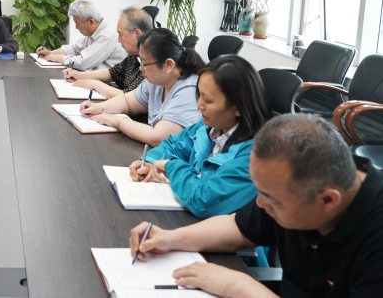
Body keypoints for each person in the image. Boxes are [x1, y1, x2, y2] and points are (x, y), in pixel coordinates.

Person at [129, 114, 383, 298]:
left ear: (327, 200)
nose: (260, 203)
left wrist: (240, 287)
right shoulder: (296, 187)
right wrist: (170, 238)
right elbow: (238, 227)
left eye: (271, 198)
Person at [128, 55, 272, 218]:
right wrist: (150, 161)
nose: (199, 105)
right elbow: (174, 145)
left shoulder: (254, 157)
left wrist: (172, 166)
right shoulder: (210, 126)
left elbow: (205, 201)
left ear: (238, 107)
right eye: (200, 95)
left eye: (208, 100)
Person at [80, 28, 203, 147]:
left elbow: (158, 138)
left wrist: (117, 121)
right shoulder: (158, 81)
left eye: (144, 63)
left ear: (168, 65)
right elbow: (128, 102)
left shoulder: (189, 91)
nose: (140, 68)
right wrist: (100, 107)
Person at [64, 6, 153, 104]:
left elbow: (131, 98)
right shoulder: (134, 55)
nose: (118, 40)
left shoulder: (151, 62)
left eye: (121, 35)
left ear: (137, 34)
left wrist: (95, 84)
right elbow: (112, 73)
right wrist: (80, 75)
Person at [37, 0, 126, 71]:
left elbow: (83, 63)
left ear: (91, 22)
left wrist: (59, 58)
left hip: (110, 84)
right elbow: (74, 49)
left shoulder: (107, 36)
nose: (76, 27)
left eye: (77, 23)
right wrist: (50, 53)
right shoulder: (95, 32)